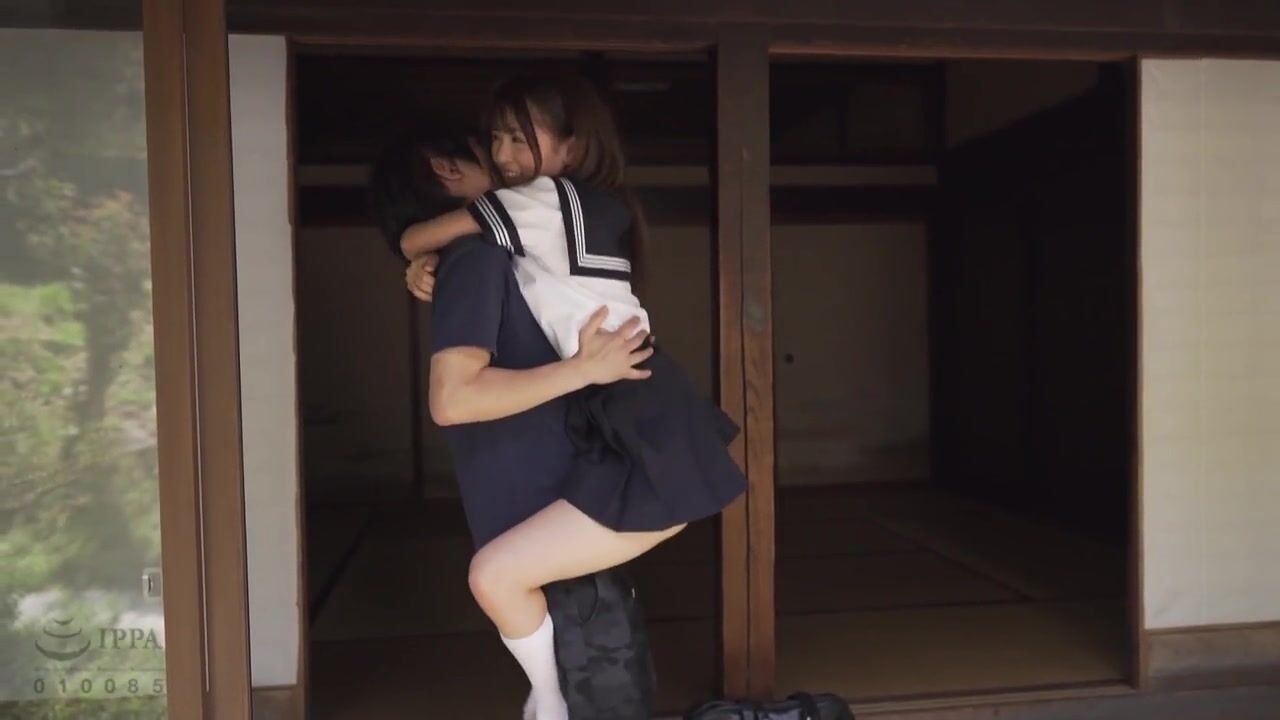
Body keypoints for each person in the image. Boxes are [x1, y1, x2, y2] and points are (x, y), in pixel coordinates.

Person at [399, 77, 746, 719]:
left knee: (496, 575)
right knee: (503, 575)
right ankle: (552, 701)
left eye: (519, 137)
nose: (504, 154)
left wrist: (413, 254)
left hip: (636, 411)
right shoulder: (552, 221)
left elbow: (419, 236)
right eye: (495, 139)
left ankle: (550, 702)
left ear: (571, 148)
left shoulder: (543, 199)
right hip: (628, 409)